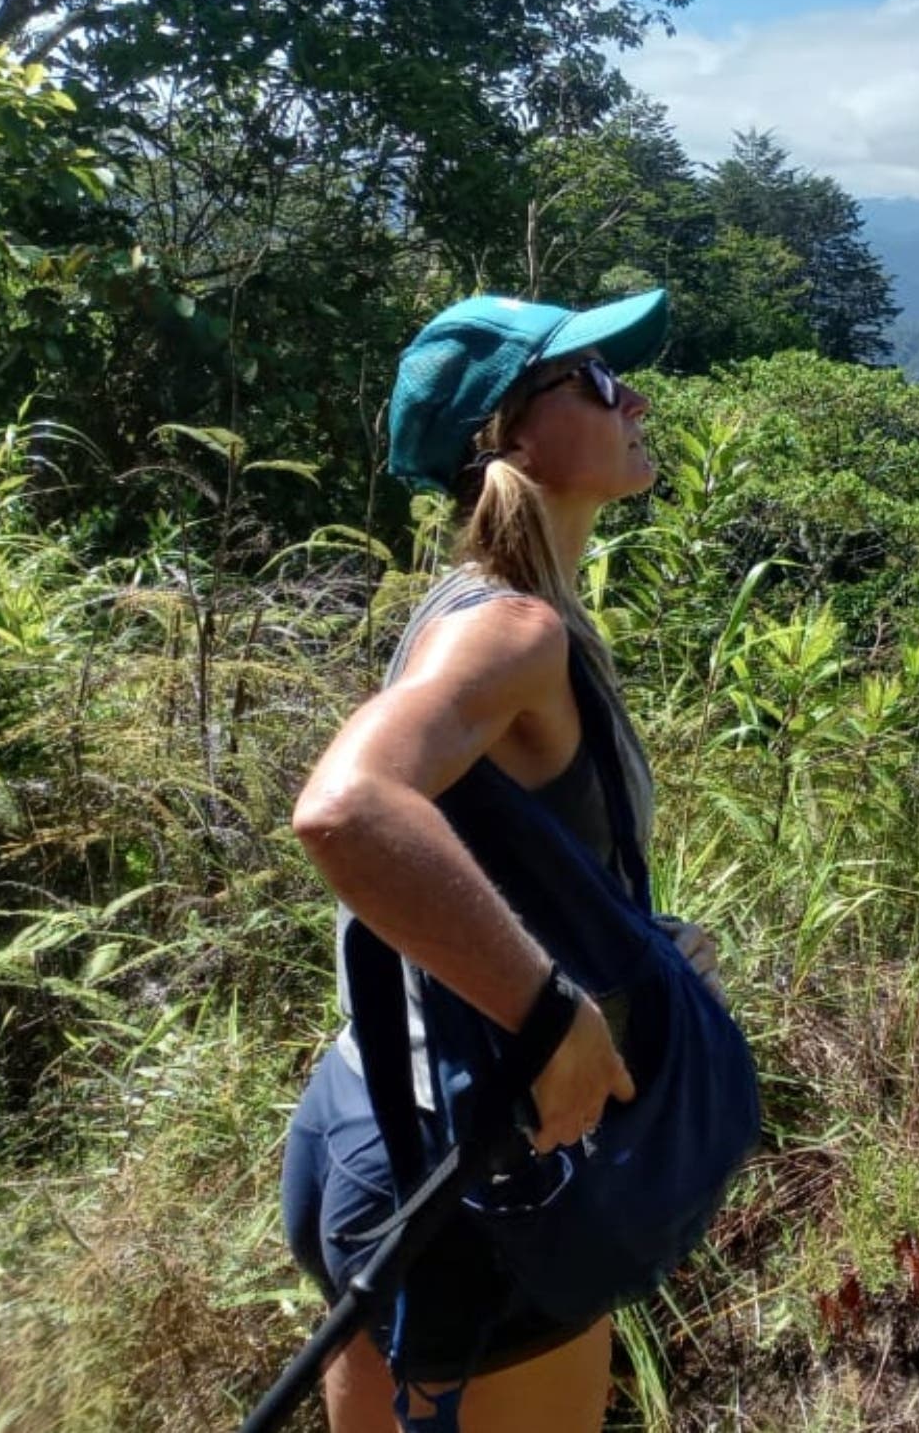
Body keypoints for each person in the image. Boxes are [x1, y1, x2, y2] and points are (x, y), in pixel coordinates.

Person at [279, 288, 722, 1433]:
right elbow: (346, 809)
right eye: (597, 381)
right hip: (473, 1162)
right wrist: (550, 1014)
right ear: (511, 438)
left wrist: (630, 947)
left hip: (372, 1120)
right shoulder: (511, 629)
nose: (636, 399)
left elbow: (501, 848)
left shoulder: (478, 608)